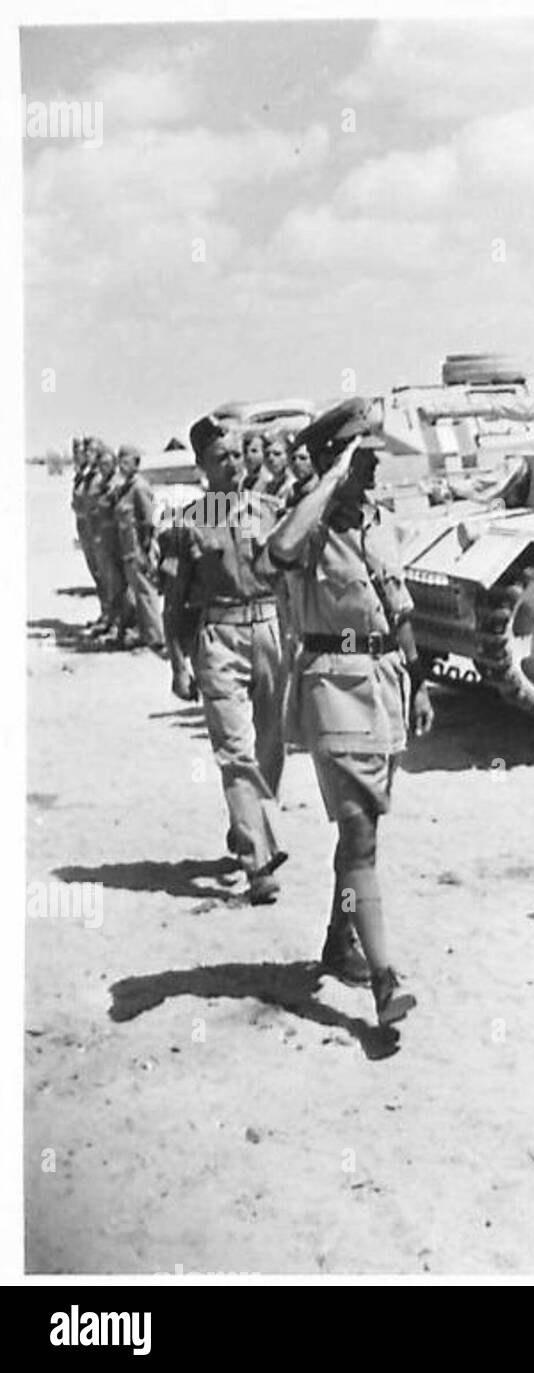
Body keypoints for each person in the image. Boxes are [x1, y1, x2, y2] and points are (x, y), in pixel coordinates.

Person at [266, 400, 434, 1027]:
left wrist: (418, 683)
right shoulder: (309, 527)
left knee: (362, 834)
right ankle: (384, 982)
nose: (373, 467)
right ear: (334, 459)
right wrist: (329, 480)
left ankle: (341, 942)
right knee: (360, 834)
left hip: (385, 681)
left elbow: (401, 609)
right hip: (332, 685)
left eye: (371, 456)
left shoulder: (377, 520)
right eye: (360, 456)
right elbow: (277, 552)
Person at [164, 416, 288, 904]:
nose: (234, 464)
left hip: (273, 634)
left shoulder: (271, 511)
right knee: (236, 752)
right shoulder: (191, 523)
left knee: (271, 750)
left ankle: (245, 827)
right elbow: (174, 602)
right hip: (220, 638)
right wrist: (178, 663)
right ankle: (260, 864)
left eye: (239, 453)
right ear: (202, 466)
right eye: (222, 458)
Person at [112, 444, 165, 651]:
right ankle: (145, 634)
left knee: (146, 593)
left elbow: (149, 521)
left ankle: (155, 639)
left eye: (126, 462)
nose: (122, 466)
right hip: (128, 548)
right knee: (138, 594)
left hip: (138, 550)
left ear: (136, 463)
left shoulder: (140, 487)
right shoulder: (125, 488)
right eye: (120, 462)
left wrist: (145, 551)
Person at [87, 441, 136, 644]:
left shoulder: (116, 485)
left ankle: (127, 627)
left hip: (116, 540)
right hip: (103, 538)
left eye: (106, 463)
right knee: (110, 584)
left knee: (121, 586)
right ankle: (116, 624)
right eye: (100, 464)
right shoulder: (102, 484)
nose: (102, 468)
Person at [70, 439, 109, 627]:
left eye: (91, 451)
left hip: (99, 529)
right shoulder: (82, 476)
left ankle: (113, 617)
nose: (86, 454)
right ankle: (105, 613)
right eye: (85, 451)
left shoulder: (102, 477)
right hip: (86, 529)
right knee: (96, 574)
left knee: (106, 574)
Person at [259, 433, 294, 502]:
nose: (271, 459)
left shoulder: (292, 485)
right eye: (267, 455)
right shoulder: (267, 486)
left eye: (277, 454)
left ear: (288, 457)